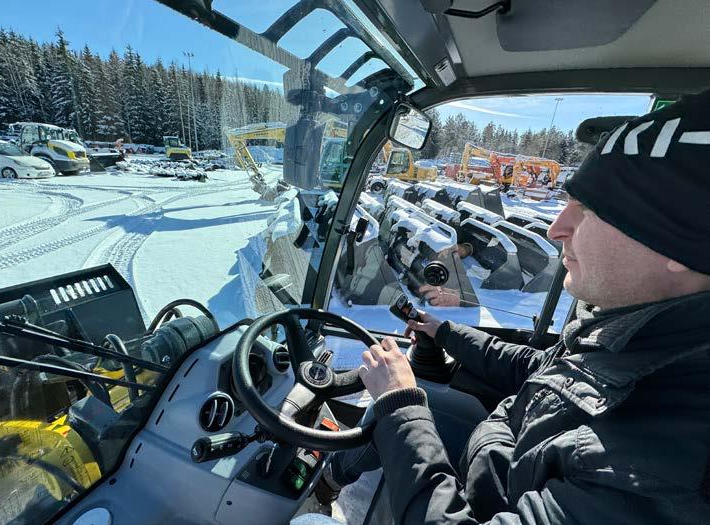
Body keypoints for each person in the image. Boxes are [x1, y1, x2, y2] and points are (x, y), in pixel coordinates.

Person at [297, 90, 710, 524]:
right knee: (411, 404)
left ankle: (320, 492)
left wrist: (401, 407)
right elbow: (540, 369)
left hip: (491, 492)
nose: (556, 228)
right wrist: (443, 331)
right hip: (498, 462)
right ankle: (328, 481)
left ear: (680, 242)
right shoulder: (634, 333)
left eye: (589, 210)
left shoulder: (661, 468)